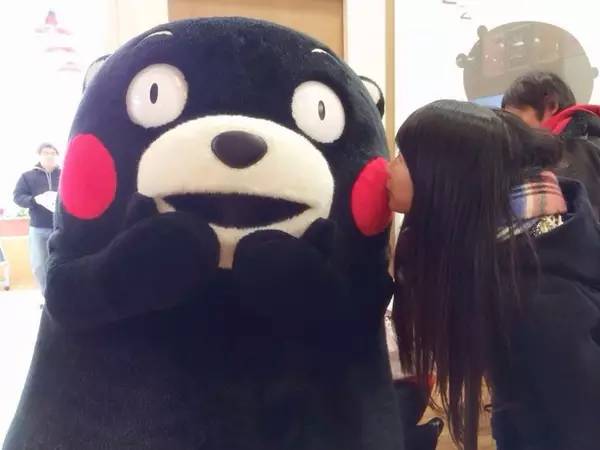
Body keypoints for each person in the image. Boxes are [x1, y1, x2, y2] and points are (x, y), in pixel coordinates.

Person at [388, 100, 600, 450]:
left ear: (445, 177)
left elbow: (575, 429)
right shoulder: (507, 258)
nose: (388, 167)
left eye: (403, 157)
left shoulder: (537, 300)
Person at [502, 70, 600, 217]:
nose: (513, 129)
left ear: (551, 105)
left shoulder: (571, 150)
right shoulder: (588, 139)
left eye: (516, 119)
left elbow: (583, 220)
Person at [13, 143, 61, 292]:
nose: (50, 156)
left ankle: (60, 295)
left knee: (63, 262)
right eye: (46, 153)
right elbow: (17, 197)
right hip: (38, 228)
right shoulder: (27, 176)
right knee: (39, 265)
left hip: (61, 227)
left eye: (53, 153)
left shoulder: (65, 175)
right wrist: (34, 200)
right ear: (39, 155)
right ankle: (47, 295)